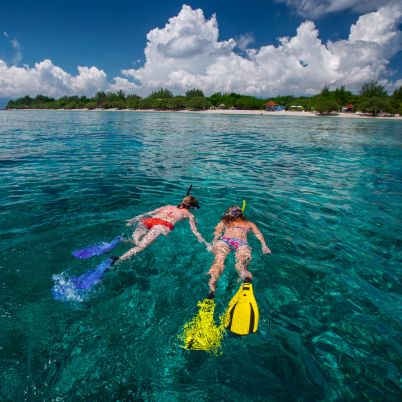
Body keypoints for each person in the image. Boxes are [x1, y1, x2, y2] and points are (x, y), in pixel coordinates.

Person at [117, 195, 209, 261]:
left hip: (148, 220)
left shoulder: (168, 206)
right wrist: (205, 243)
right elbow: (195, 231)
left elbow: (149, 213)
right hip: (162, 225)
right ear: (192, 207)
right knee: (141, 246)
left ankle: (122, 240)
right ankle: (118, 260)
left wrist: (133, 220)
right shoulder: (189, 214)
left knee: (136, 242)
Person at [207, 205, 271, 297]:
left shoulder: (226, 221)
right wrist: (264, 246)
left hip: (226, 241)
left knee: (219, 263)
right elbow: (258, 234)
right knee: (240, 266)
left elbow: (217, 233)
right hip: (239, 243)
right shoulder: (249, 223)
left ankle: (212, 291)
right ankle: (245, 283)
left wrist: (213, 243)